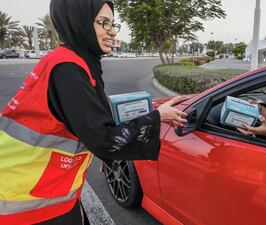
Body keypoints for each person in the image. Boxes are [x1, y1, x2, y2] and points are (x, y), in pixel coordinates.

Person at [0, 0, 187, 224]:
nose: (111, 30)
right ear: (78, 21)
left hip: (47, 192)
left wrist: (100, 152)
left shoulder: (73, 61)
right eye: (102, 22)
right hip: (27, 201)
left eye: (112, 23)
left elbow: (83, 128)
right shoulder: (67, 68)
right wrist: (159, 116)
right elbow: (103, 139)